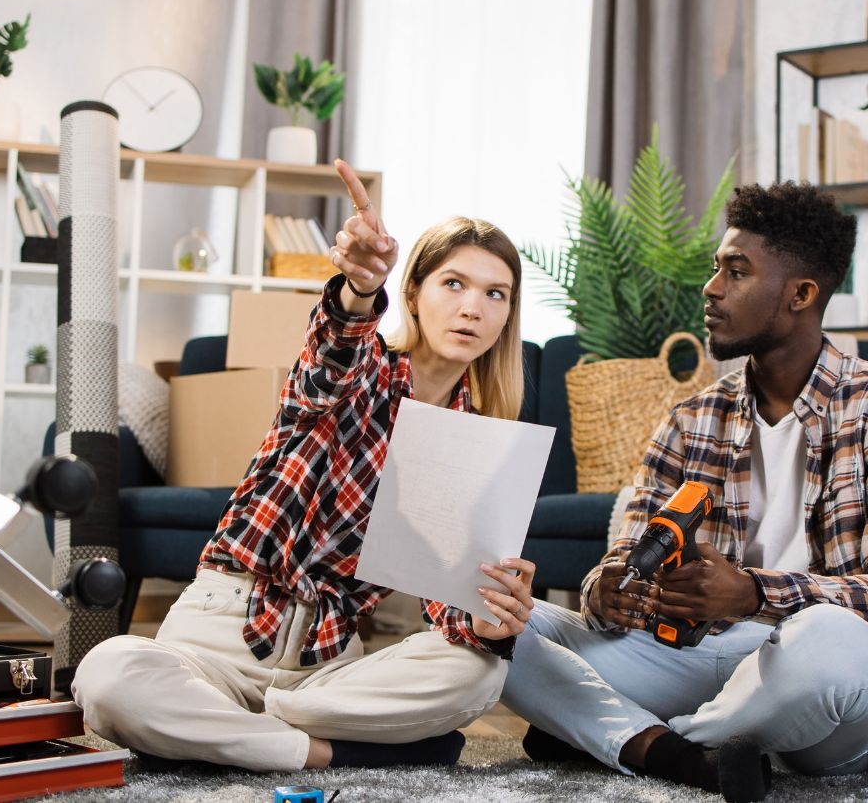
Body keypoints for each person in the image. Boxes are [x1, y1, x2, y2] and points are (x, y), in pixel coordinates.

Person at [74, 160, 538, 772]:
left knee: (478, 673)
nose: (472, 307)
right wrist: (358, 287)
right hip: (222, 630)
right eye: (453, 283)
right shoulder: (359, 367)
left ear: (507, 315)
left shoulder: (477, 443)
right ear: (413, 294)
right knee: (107, 676)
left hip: (327, 667)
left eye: (494, 293)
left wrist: (486, 621)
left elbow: (444, 607)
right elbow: (335, 346)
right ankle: (327, 754)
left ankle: (237, 735)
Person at [501, 182, 868, 802]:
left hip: (816, 677)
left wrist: (750, 592)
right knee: (494, 620)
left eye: (736, 272)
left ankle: (624, 738)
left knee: (833, 641)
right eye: (716, 269)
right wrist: (608, 590)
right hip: (689, 659)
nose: (711, 288)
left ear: (801, 294)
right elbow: (626, 554)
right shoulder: (691, 417)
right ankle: (684, 754)